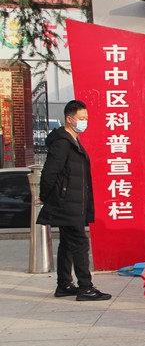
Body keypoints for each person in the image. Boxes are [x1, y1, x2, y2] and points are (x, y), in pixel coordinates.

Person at [37, 100, 112, 301]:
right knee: (79, 243)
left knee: (67, 244)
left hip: (73, 202)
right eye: (81, 118)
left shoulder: (72, 140)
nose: (84, 122)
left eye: (86, 118)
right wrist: (45, 196)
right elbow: (50, 172)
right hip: (67, 203)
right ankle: (85, 287)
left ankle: (64, 284)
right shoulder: (63, 142)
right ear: (69, 119)